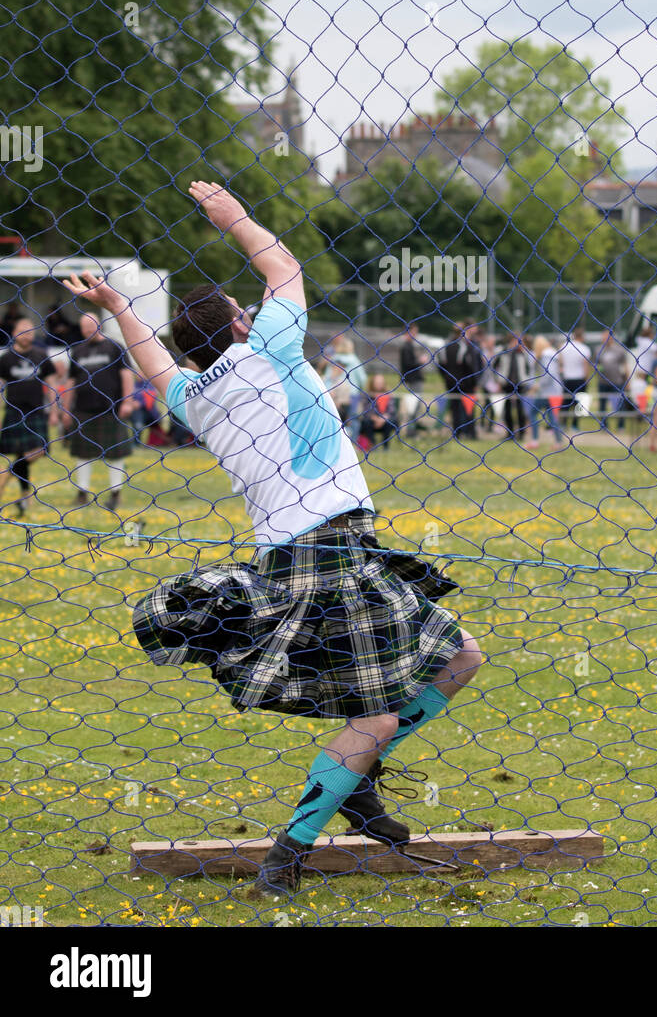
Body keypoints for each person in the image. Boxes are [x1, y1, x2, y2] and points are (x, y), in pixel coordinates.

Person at [62, 181, 482, 897]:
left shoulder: (194, 399)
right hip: (331, 553)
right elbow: (283, 266)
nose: (252, 309)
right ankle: (286, 858)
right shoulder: (273, 352)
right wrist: (235, 220)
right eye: (240, 309)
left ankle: (356, 781)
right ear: (235, 326)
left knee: (460, 658)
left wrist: (120, 309)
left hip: (304, 560)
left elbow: (154, 362)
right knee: (378, 712)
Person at [60, 312, 136, 511]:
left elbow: (126, 375)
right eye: (84, 327)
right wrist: (66, 410)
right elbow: (70, 382)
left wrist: (127, 401)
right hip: (83, 410)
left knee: (115, 454)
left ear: (99, 325)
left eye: (90, 325)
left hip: (111, 408)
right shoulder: (77, 351)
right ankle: (82, 492)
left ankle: (115, 493)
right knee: (83, 454)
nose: (87, 330)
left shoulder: (114, 347)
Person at [0, 317, 61, 515]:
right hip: (14, 412)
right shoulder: (6, 359)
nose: (26, 335)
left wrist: (54, 410)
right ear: (14, 332)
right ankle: (25, 498)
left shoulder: (41, 355)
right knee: (21, 454)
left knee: (39, 450)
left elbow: (52, 384)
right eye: (22, 331)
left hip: (36, 412)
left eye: (30, 331)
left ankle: (6, 475)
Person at [532, 336, 566, 447]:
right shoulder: (552, 354)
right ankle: (558, 442)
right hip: (555, 391)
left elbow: (548, 374)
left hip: (547, 392)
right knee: (553, 417)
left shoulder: (546, 356)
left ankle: (535, 440)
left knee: (532, 412)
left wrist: (539, 385)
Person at [557, 326, 591, 430]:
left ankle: (563, 424)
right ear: (582, 336)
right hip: (579, 379)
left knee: (566, 403)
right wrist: (587, 379)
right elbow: (586, 366)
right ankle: (574, 425)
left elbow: (560, 362)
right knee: (579, 404)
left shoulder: (564, 346)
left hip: (567, 379)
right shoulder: (584, 348)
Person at [594, 330, 628, 431]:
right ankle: (604, 426)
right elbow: (595, 364)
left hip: (616, 382)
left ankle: (621, 426)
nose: (605, 339)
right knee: (602, 405)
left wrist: (627, 380)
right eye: (603, 337)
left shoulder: (619, 350)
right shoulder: (598, 349)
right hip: (602, 382)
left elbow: (625, 365)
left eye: (607, 337)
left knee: (619, 404)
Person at [398, 323, 428, 438]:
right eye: (415, 331)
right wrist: (420, 361)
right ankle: (411, 432)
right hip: (413, 379)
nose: (416, 334)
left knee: (415, 406)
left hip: (414, 379)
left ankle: (413, 430)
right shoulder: (406, 346)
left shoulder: (409, 345)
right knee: (413, 406)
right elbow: (408, 364)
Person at [358, 374, 399, 451]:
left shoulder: (389, 394)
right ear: (372, 383)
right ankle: (373, 444)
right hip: (372, 420)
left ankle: (385, 446)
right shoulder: (367, 395)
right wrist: (376, 419)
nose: (379, 385)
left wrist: (383, 418)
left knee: (390, 422)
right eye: (377, 383)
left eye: (381, 383)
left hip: (386, 419)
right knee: (366, 422)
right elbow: (366, 410)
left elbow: (391, 410)